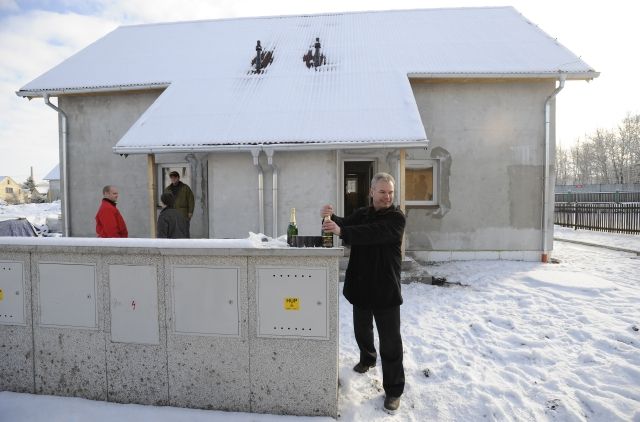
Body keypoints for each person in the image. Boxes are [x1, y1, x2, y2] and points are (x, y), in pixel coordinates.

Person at [321, 172, 406, 415]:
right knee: (362, 329)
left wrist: (342, 230)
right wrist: (328, 217)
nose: (387, 196)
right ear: (371, 192)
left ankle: (393, 391)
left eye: (390, 192)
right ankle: (368, 358)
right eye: (382, 192)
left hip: (385, 289)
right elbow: (346, 224)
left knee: (390, 343)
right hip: (361, 285)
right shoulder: (362, 213)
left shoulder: (396, 219)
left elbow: (371, 233)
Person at [164, 171, 195, 238]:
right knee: (172, 232)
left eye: (175, 177)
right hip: (171, 215)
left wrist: (190, 212)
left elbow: (191, 200)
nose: (173, 179)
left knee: (184, 231)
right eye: (172, 178)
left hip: (183, 213)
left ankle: (186, 246)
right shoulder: (167, 189)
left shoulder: (185, 188)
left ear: (178, 178)